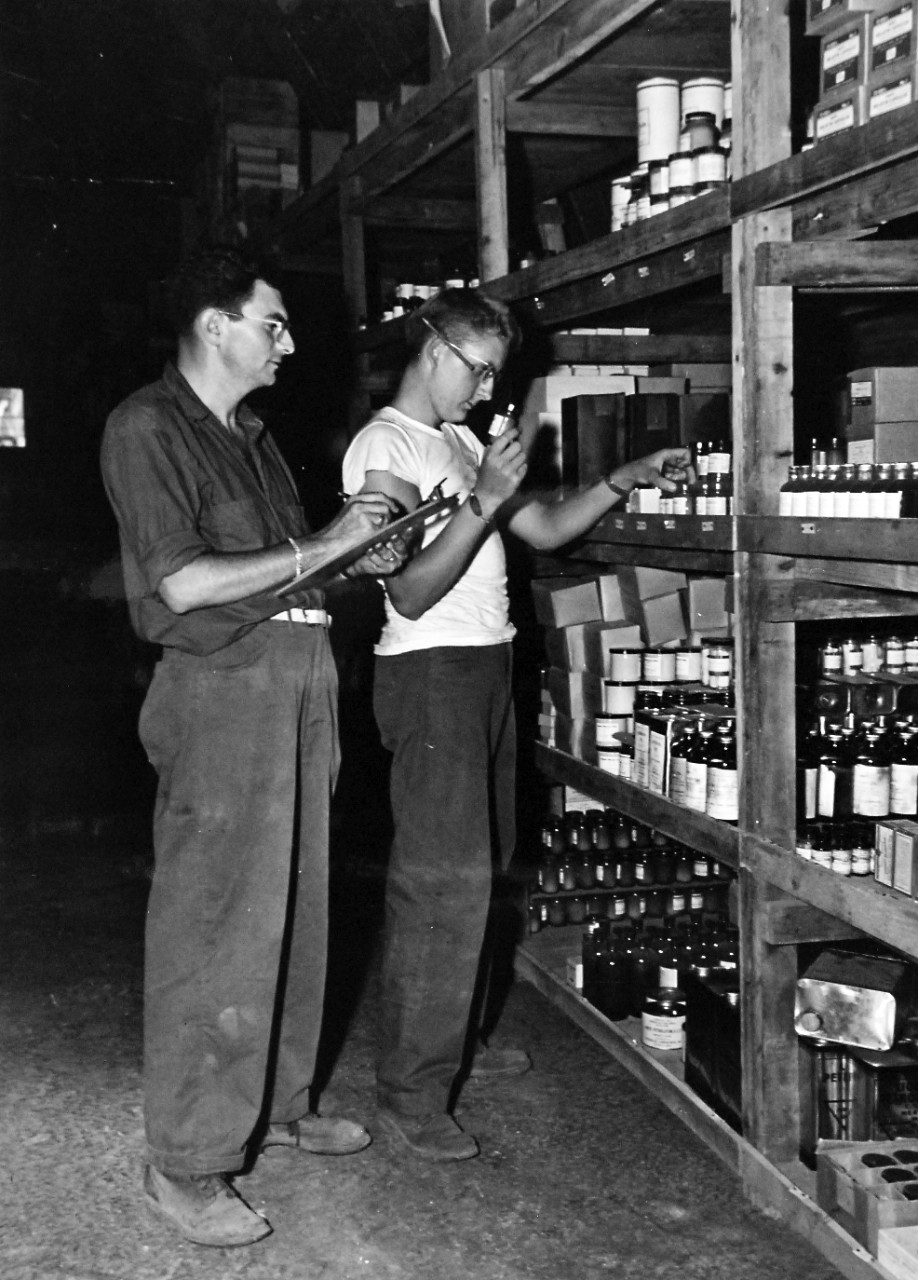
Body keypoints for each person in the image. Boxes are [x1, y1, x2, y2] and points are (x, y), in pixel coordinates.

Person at [100, 246, 408, 1248]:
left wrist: (367, 542)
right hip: (222, 695)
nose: (287, 342)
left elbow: (291, 575)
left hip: (299, 680)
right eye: (271, 324)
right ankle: (188, 1157)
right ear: (212, 324)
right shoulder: (148, 428)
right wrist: (325, 543)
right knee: (217, 924)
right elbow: (185, 584)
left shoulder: (257, 436)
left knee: (298, 910)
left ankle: (275, 1099)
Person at [342, 287, 689, 1162]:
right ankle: (411, 1093)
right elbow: (411, 590)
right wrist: (478, 501)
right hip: (432, 676)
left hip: (487, 666)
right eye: (480, 368)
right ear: (433, 348)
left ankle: (453, 1043)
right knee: (441, 883)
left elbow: (542, 529)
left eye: (496, 372)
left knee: (484, 869)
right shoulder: (386, 448)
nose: (487, 389)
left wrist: (622, 478)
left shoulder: (456, 443)